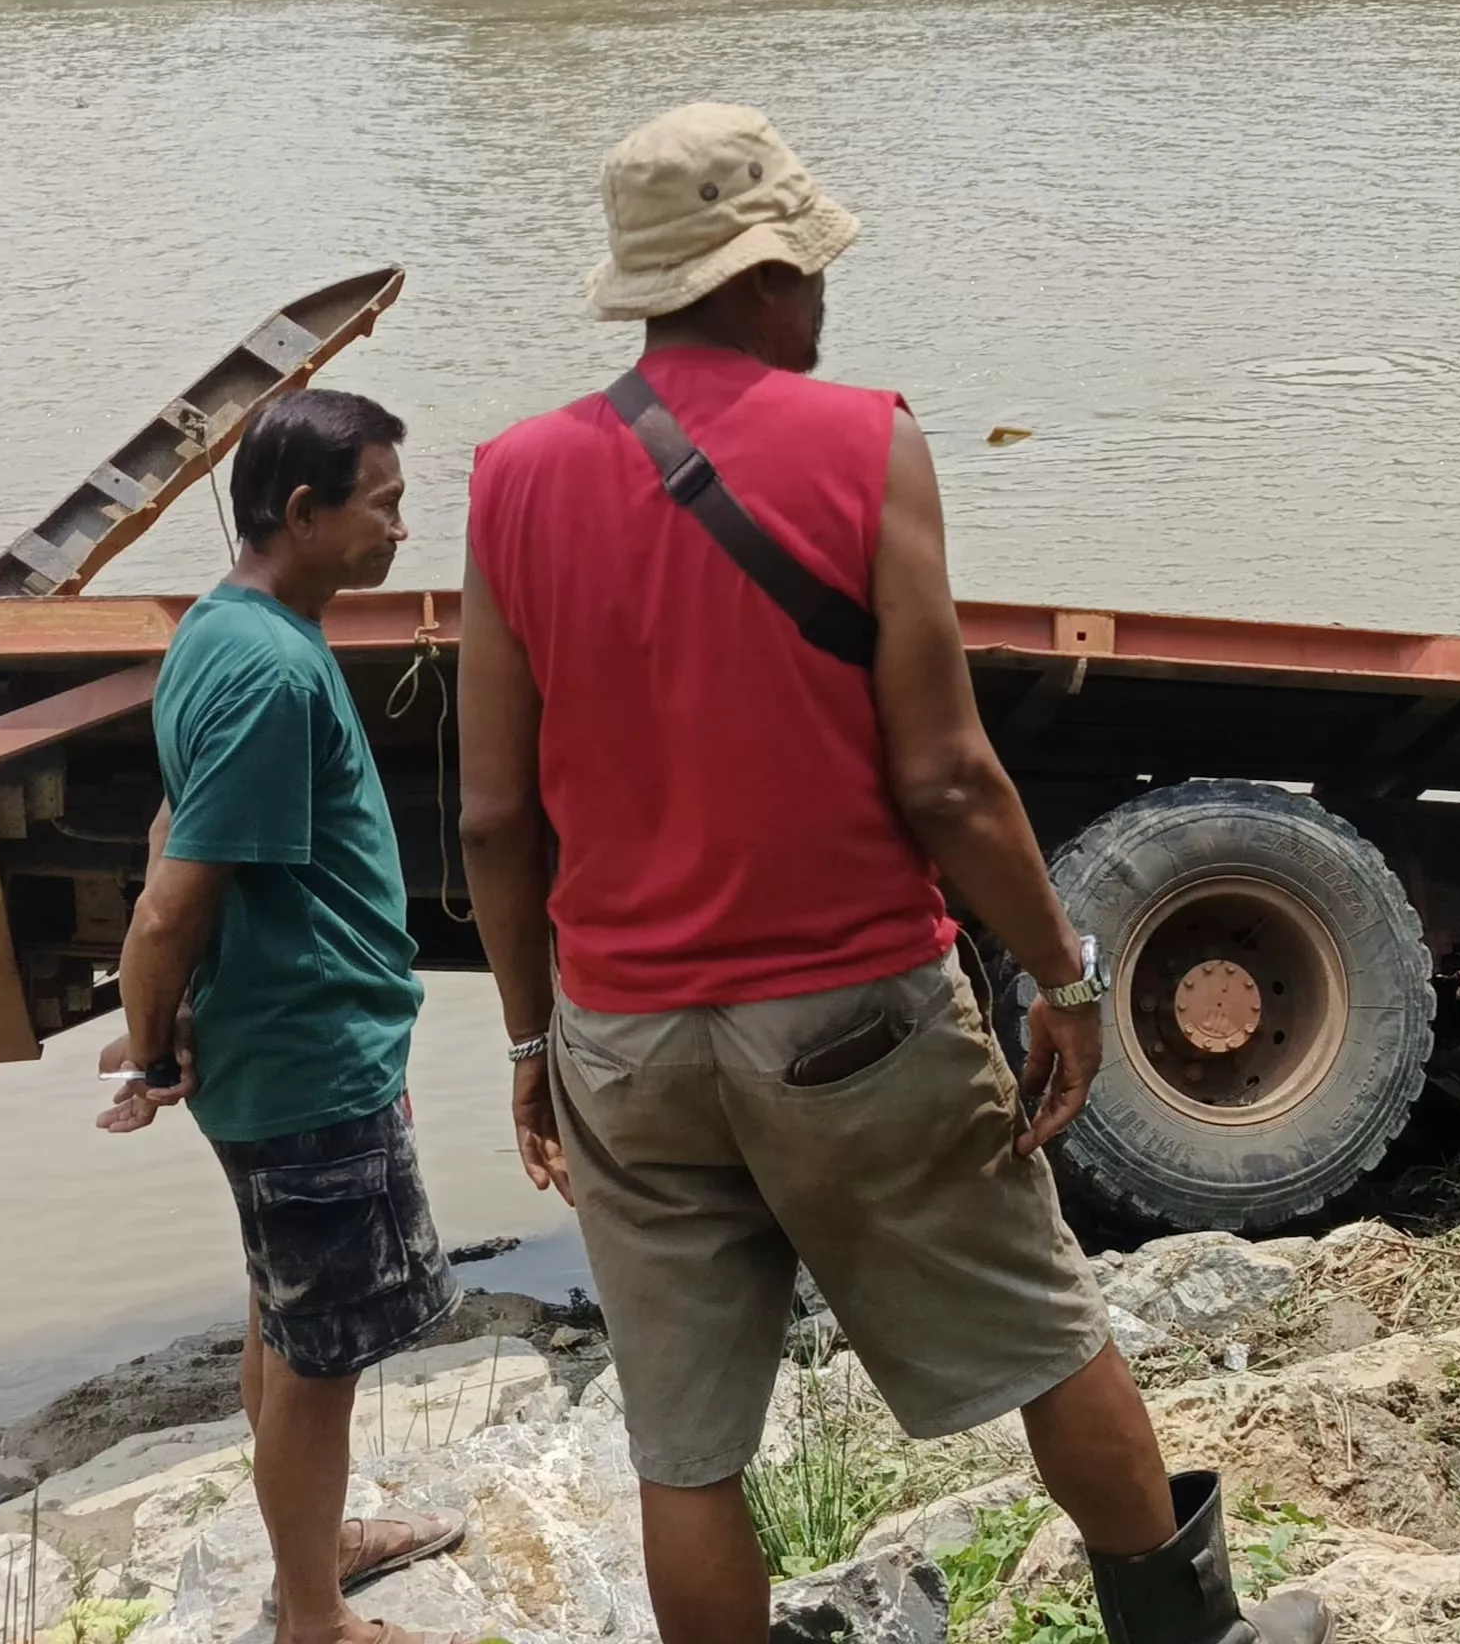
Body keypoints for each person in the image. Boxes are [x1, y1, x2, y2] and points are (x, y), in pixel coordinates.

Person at [456, 104, 1322, 1644]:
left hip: (626, 1041)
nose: (824, 292)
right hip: (852, 1015)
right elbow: (945, 773)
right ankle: (1200, 1637)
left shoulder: (515, 477)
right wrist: (1064, 977)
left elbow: (497, 821)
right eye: (811, 262)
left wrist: (530, 1040)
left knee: (686, 1446)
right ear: (763, 274)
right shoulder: (865, 441)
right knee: (1054, 1335)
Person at [96, 388, 472, 1644]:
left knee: (284, 1311)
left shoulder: (221, 630)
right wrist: (151, 1046)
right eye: (384, 505)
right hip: (310, 1061)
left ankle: (315, 1543)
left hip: (294, 1048)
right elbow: (169, 906)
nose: (400, 532)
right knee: (321, 1361)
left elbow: (169, 823)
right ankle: (314, 1615)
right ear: (303, 512)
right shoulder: (265, 668)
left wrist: (172, 1026)